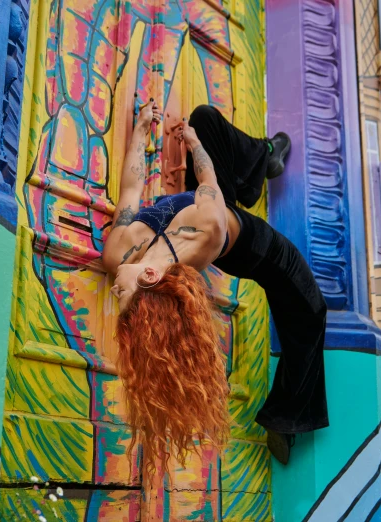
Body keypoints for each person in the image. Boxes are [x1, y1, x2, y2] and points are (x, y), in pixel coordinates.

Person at [102, 101, 328, 478]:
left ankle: (264, 160)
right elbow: (208, 181)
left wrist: (141, 131)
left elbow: (130, 190)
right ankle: (286, 418)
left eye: (118, 298)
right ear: (148, 279)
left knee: (206, 117)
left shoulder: (119, 253)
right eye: (123, 296)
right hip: (254, 247)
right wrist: (191, 144)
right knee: (311, 309)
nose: (114, 291)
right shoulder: (205, 230)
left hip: (204, 207)